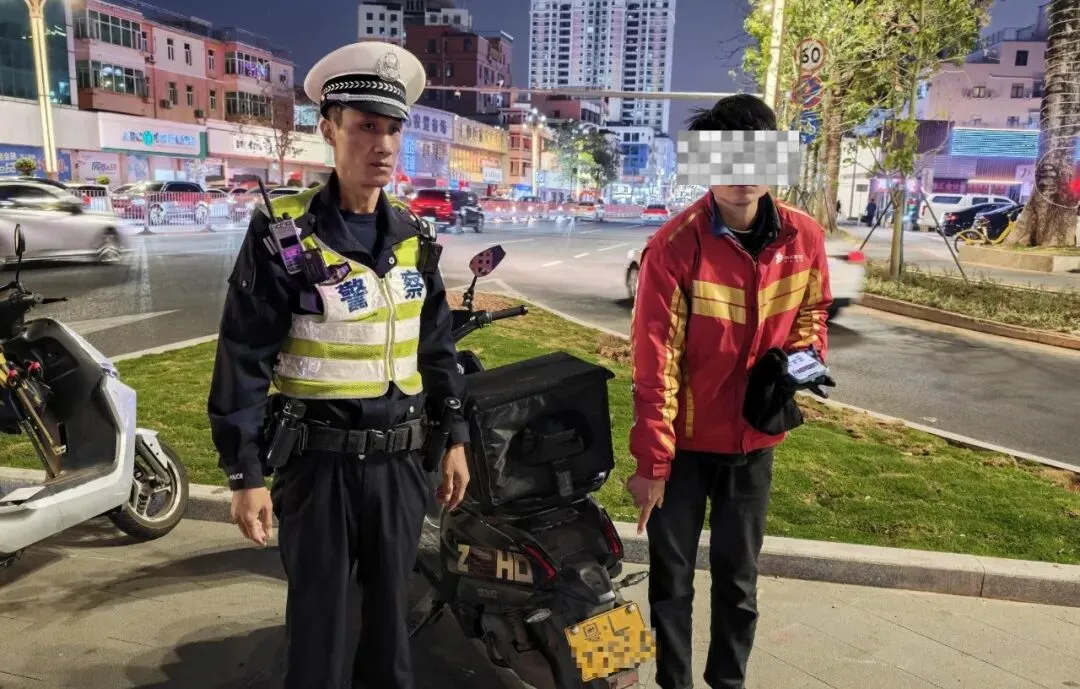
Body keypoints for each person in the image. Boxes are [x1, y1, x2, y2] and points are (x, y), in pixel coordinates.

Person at [206, 42, 470, 689]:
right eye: (365, 126)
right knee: (318, 634)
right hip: (318, 467)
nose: (383, 144)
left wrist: (456, 437)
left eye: (393, 129)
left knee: (390, 632)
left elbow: (436, 346)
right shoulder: (284, 234)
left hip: (401, 466)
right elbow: (243, 354)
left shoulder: (414, 237)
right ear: (329, 128)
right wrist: (245, 472)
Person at [626, 94, 834, 689]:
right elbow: (655, 364)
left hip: (753, 444)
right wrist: (653, 465)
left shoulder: (803, 236)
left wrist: (799, 365)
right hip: (684, 451)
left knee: (739, 583)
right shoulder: (674, 245)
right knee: (671, 582)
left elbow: (813, 313)